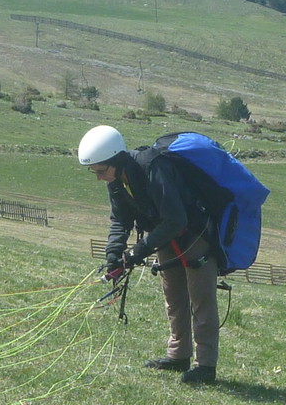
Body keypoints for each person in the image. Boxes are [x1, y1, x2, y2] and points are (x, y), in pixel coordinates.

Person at [78, 125, 219, 384]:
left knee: (201, 299)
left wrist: (137, 252)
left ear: (117, 160)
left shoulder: (154, 167)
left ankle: (206, 365)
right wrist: (113, 254)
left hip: (195, 235)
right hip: (164, 236)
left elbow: (176, 219)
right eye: (94, 172)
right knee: (174, 297)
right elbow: (120, 221)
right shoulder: (116, 181)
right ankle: (178, 356)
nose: (99, 178)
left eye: (101, 171)